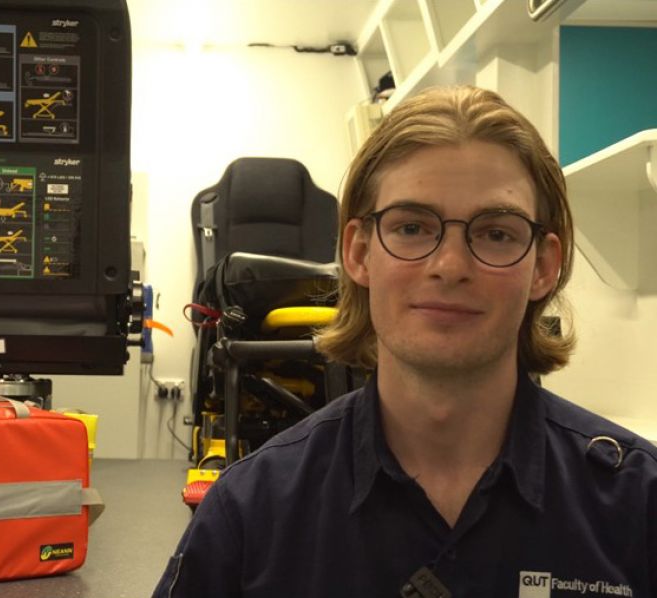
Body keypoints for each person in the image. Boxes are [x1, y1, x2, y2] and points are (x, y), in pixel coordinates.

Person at [152, 86, 657, 597]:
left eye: (496, 233)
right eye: (412, 227)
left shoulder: (637, 505)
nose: (451, 266)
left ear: (544, 267)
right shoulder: (250, 512)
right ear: (359, 252)